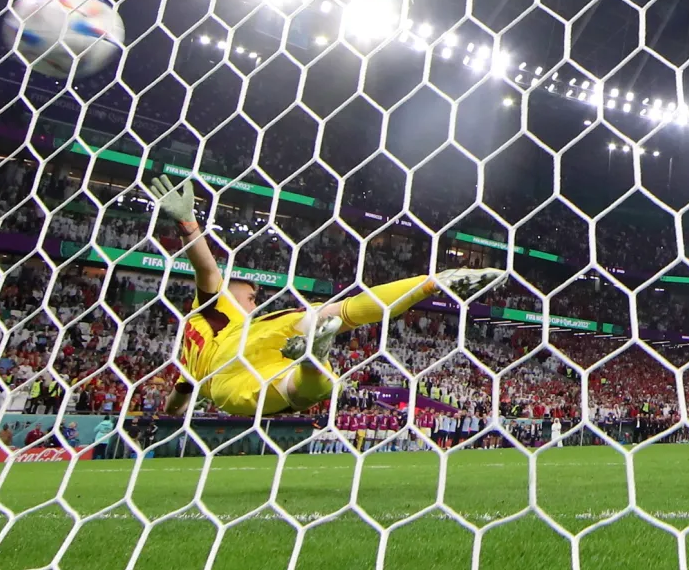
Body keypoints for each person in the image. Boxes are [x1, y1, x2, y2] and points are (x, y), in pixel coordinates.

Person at [149, 176, 504, 418]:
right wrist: (189, 226)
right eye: (251, 295)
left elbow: (177, 400)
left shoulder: (192, 343)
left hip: (226, 371)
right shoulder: (217, 304)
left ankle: (313, 361)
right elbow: (209, 271)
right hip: (238, 350)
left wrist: (167, 415)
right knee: (335, 317)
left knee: (294, 388)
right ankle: (429, 283)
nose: (255, 301)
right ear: (231, 294)